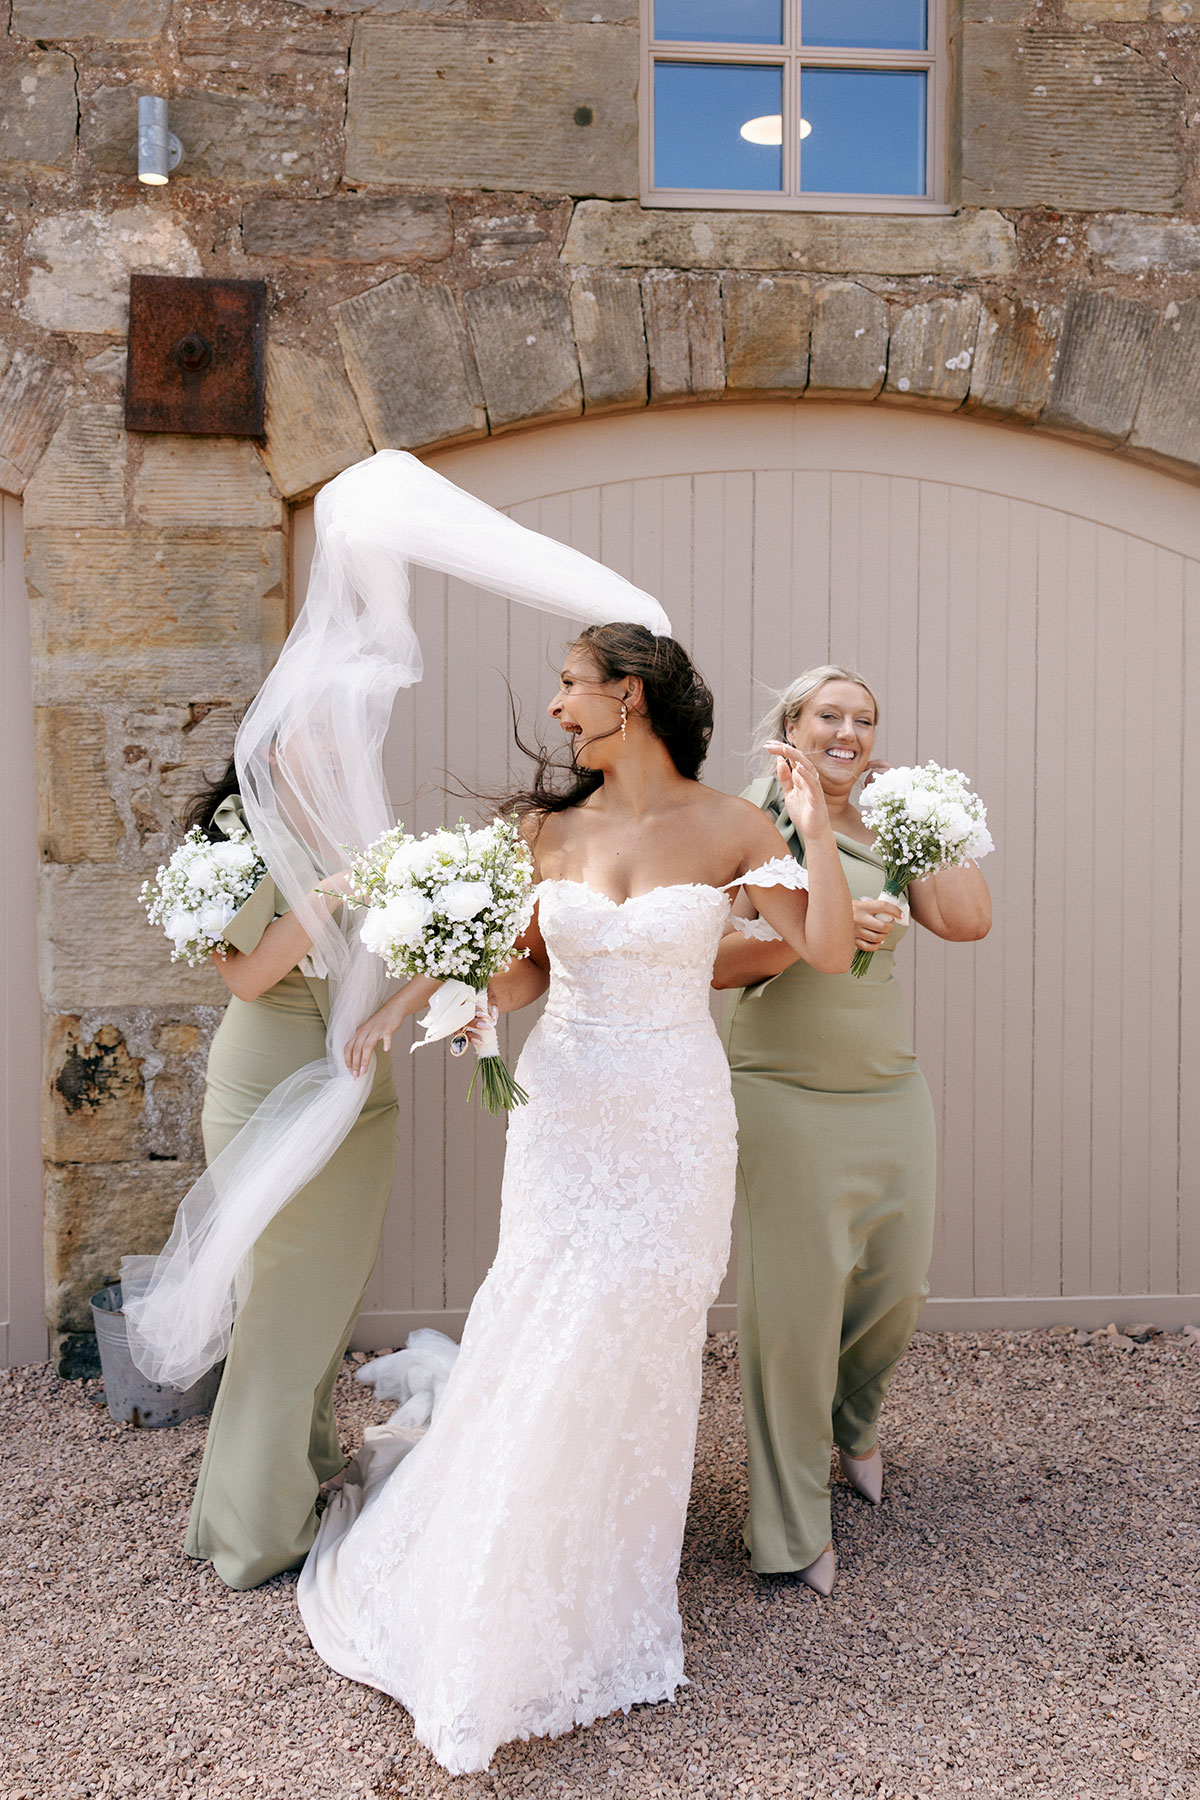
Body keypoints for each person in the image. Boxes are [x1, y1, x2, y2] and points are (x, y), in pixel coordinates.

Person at [296, 624, 856, 1774]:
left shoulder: (734, 827)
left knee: (635, 1332)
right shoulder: (544, 832)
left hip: (674, 1118)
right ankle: (499, 1577)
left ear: (629, 696)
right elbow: (523, 976)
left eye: (570, 686)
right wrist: (448, 976)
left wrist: (814, 830)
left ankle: (601, 1577)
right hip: (565, 1114)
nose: (557, 708)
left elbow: (830, 951)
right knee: (545, 1321)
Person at [714, 665, 992, 1596]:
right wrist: (817, 931)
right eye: (829, 715)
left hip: (887, 1082)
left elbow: (968, 921)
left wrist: (925, 814)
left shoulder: (891, 821)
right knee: (794, 1312)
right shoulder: (754, 818)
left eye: (863, 720)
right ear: (793, 724)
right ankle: (789, 1521)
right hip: (783, 1087)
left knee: (898, 1282)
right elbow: (709, 958)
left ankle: (854, 1420)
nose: (848, 732)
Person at [175, 758, 435, 1590]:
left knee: (330, 1295)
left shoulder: (363, 826)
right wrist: (329, 888)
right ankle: (254, 1529)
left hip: (360, 1093)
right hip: (270, 1091)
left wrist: (409, 1000)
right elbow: (247, 976)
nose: (334, 742)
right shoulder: (235, 837)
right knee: (283, 1306)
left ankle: (304, 1465)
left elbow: (449, 935)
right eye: (313, 728)